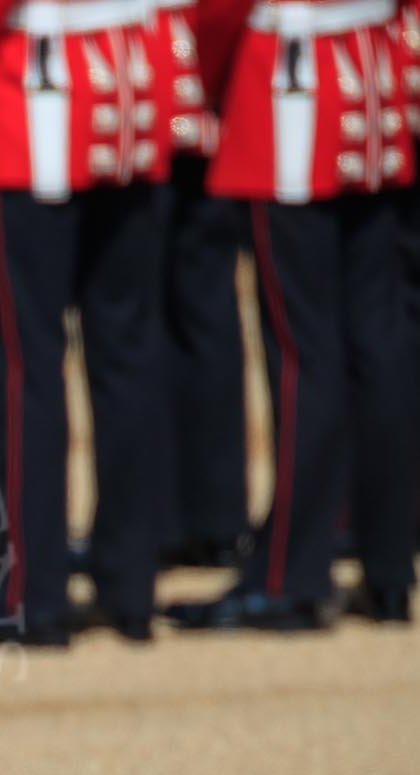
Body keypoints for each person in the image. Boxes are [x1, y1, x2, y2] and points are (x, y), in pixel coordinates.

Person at [0, 0, 173, 647]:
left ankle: (34, 592)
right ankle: (129, 584)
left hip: (37, 107)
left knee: (26, 369)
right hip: (128, 98)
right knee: (128, 357)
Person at [167, 0, 416, 629]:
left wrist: (216, 82)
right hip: (374, 92)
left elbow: (219, 14)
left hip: (291, 95)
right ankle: (387, 569)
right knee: (379, 342)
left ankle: (290, 575)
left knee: (305, 353)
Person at [153, 0, 252, 569]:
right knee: (201, 314)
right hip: (203, 95)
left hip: (155, 95)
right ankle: (211, 516)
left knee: (153, 319)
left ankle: (176, 517)